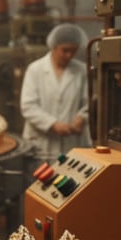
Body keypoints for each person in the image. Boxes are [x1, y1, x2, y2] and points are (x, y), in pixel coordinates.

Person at [19, 23, 91, 161]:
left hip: (71, 144)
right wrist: (52, 124)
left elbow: (89, 103)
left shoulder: (82, 70)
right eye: (65, 50)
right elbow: (28, 106)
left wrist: (82, 118)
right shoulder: (35, 69)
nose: (69, 55)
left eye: (73, 51)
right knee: (41, 174)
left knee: (70, 173)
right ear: (54, 46)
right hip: (41, 144)